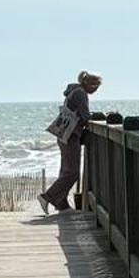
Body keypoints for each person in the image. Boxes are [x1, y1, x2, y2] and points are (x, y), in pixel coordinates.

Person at [39, 71, 102, 213]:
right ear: (90, 85)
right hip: (71, 136)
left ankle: (62, 203)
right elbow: (85, 115)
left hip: (65, 135)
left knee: (66, 170)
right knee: (72, 173)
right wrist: (97, 116)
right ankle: (47, 197)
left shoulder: (74, 91)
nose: (96, 90)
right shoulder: (80, 93)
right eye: (96, 87)